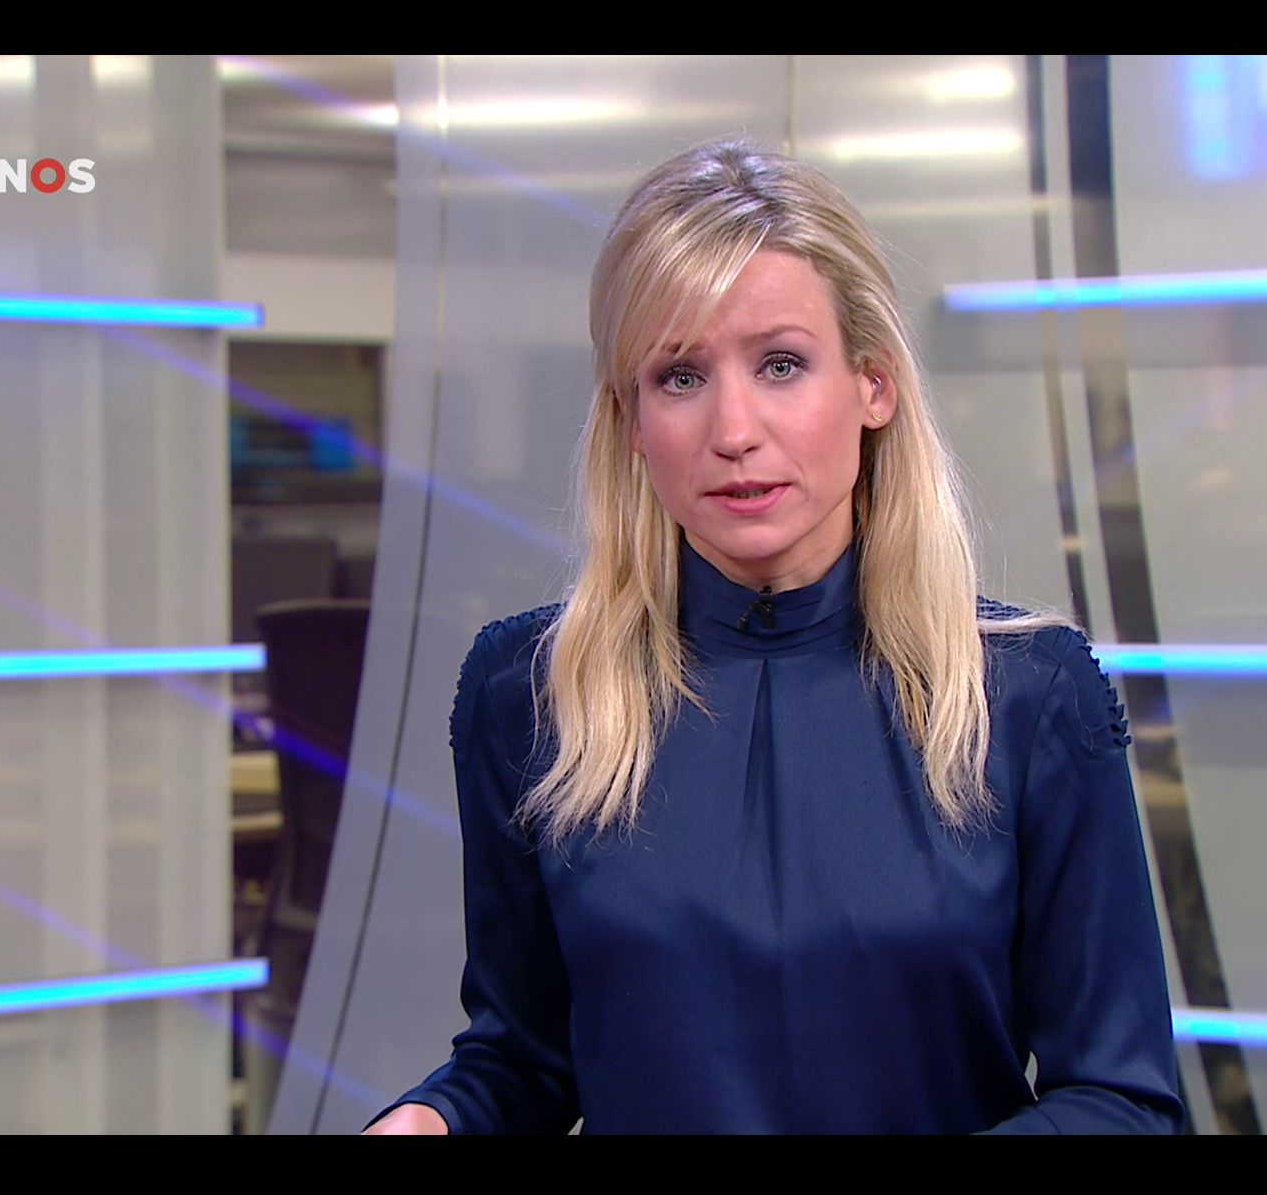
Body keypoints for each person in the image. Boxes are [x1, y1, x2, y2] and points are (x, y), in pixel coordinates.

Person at [363, 140, 1184, 1134]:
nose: (734, 430)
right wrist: (433, 1122)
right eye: (679, 377)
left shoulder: (1028, 695)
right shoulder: (530, 694)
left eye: (782, 365)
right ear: (629, 419)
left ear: (874, 385)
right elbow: (523, 1059)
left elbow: (1123, 1100)